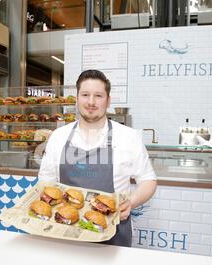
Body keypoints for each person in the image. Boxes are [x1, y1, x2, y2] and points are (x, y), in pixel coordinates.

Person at [39, 69, 157, 247]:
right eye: (85, 95)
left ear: (108, 100)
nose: (91, 102)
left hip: (113, 232)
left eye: (99, 96)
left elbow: (148, 180)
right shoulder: (59, 136)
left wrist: (131, 202)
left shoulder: (128, 137)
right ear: (77, 98)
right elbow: (45, 182)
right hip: (65, 230)